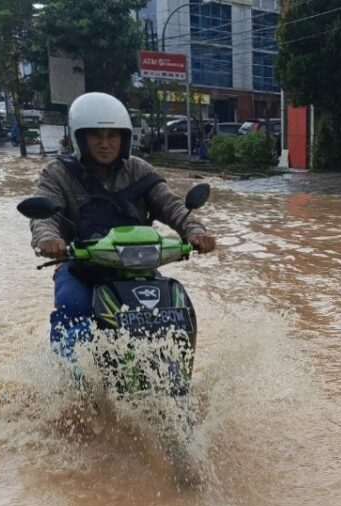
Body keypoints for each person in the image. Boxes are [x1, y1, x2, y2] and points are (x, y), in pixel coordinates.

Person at [29, 92, 216, 357]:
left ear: (124, 138)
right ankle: (68, 374)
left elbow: (171, 205)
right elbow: (44, 215)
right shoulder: (58, 173)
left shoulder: (139, 170)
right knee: (73, 307)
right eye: (96, 135)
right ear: (80, 138)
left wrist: (195, 232)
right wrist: (49, 239)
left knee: (172, 309)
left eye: (113, 136)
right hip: (81, 267)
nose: (105, 144)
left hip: (137, 266)